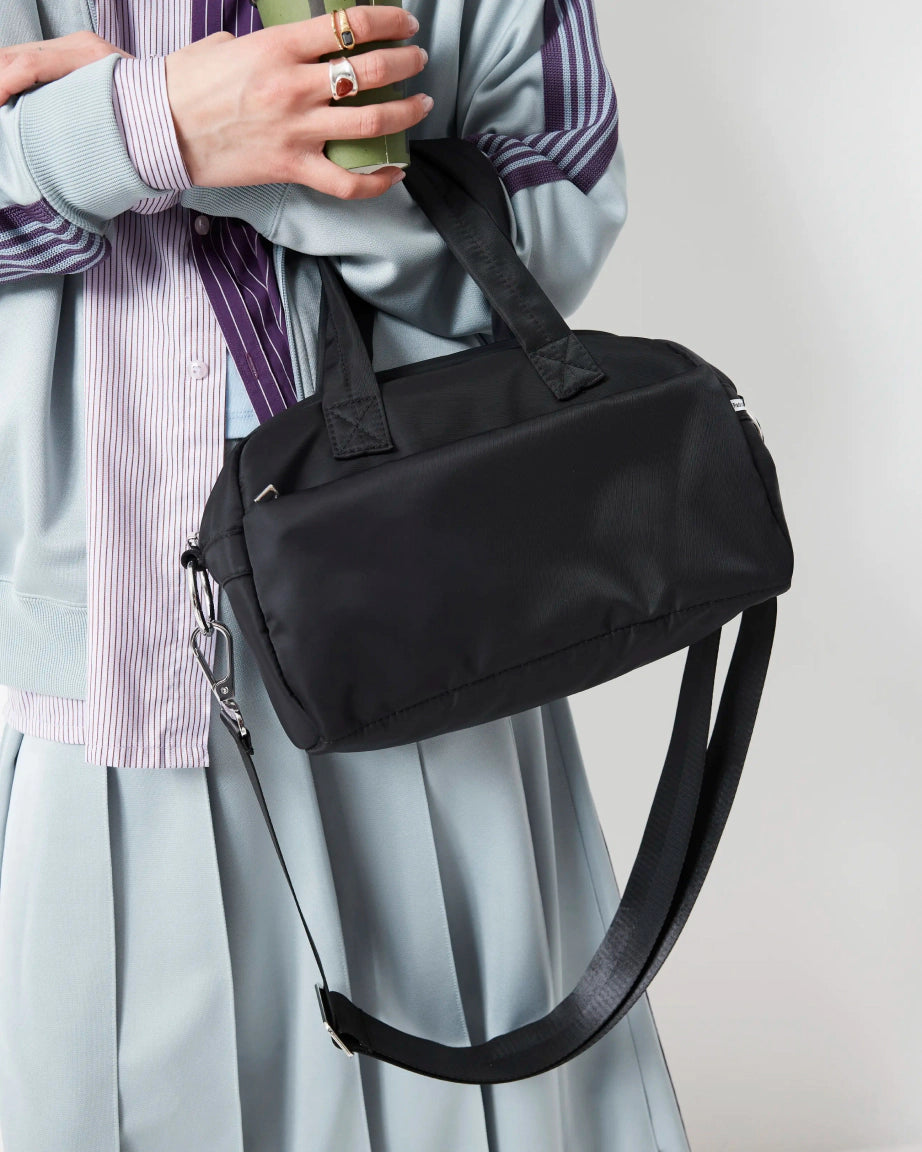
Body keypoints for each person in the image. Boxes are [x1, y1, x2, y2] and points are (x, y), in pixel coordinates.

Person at [0, 1, 692, 1149]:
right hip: (92, 688)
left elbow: (554, 216)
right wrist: (151, 123)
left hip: (429, 660)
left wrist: (255, 159)